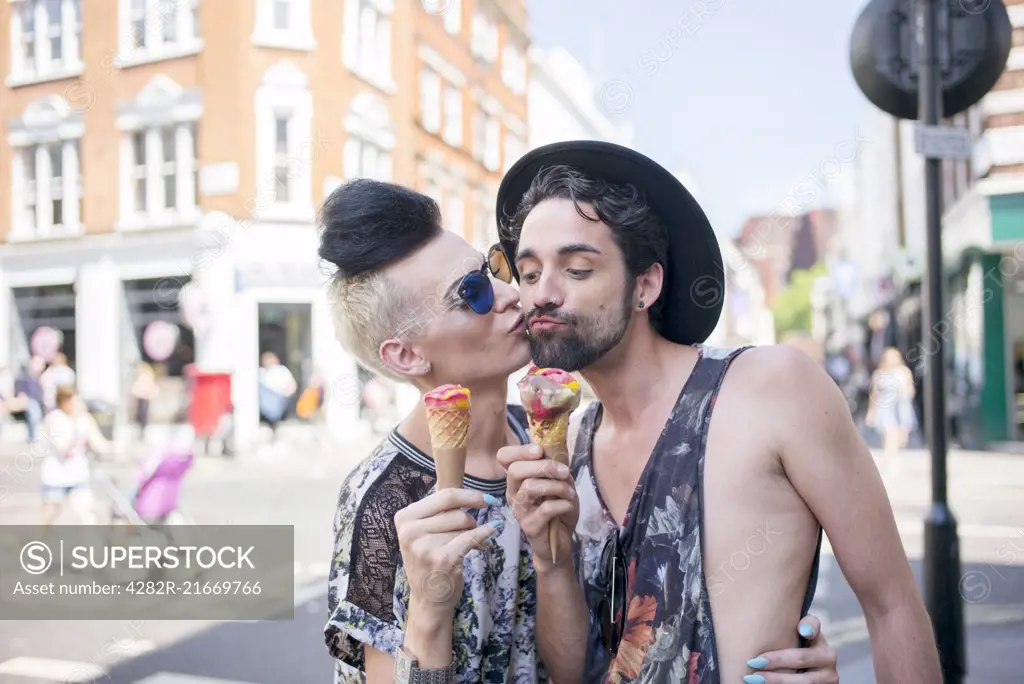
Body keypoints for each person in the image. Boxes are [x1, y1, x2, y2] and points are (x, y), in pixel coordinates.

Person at [316, 179, 839, 683]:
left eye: (494, 268)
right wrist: (429, 613)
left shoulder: (561, 441)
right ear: (405, 354)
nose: (508, 294)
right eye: (471, 293)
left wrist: (777, 647)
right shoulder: (384, 499)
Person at [493, 141, 942, 683]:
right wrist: (550, 558)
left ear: (646, 285)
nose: (543, 293)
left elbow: (892, 607)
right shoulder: (571, 446)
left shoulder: (773, 388)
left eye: (579, 269)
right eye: (530, 272)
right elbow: (572, 673)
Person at [39, 385, 112, 525]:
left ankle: (90, 544)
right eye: (75, 401)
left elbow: (98, 443)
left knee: (87, 512)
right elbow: (62, 448)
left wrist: (114, 447)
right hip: (55, 475)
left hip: (78, 474)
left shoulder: (86, 419)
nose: (79, 404)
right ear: (64, 402)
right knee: (50, 513)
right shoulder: (55, 419)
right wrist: (75, 424)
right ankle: (40, 542)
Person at [865, 346, 918, 474]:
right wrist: (871, 411)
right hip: (886, 405)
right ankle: (891, 457)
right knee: (889, 431)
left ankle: (897, 452)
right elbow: (874, 394)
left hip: (901, 404)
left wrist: (906, 394)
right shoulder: (879, 373)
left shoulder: (904, 372)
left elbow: (910, 389)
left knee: (902, 434)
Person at [13, 356, 47, 443]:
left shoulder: (40, 378)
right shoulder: (25, 376)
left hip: (38, 402)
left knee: (35, 415)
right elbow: (20, 388)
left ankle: (32, 436)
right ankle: (32, 436)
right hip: (29, 401)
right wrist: (22, 395)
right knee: (33, 414)